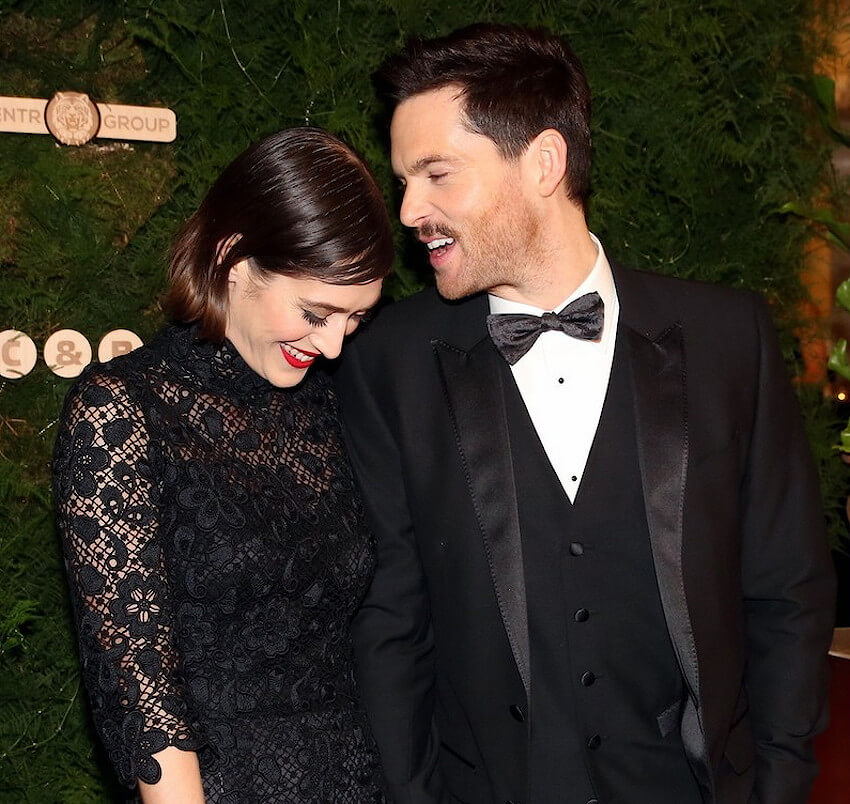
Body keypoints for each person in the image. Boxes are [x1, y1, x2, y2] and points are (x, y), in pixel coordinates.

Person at [334, 23, 836, 804]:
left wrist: (778, 782)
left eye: (436, 174)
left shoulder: (728, 337)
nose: (409, 211)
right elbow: (389, 623)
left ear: (543, 163)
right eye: (405, 181)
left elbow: (787, 589)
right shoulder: (386, 361)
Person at [53, 127, 393, 802]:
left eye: (353, 320)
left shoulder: (330, 404)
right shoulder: (123, 410)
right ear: (235, 259)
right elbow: (142, 695)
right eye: (315, 312)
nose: (331, 345)